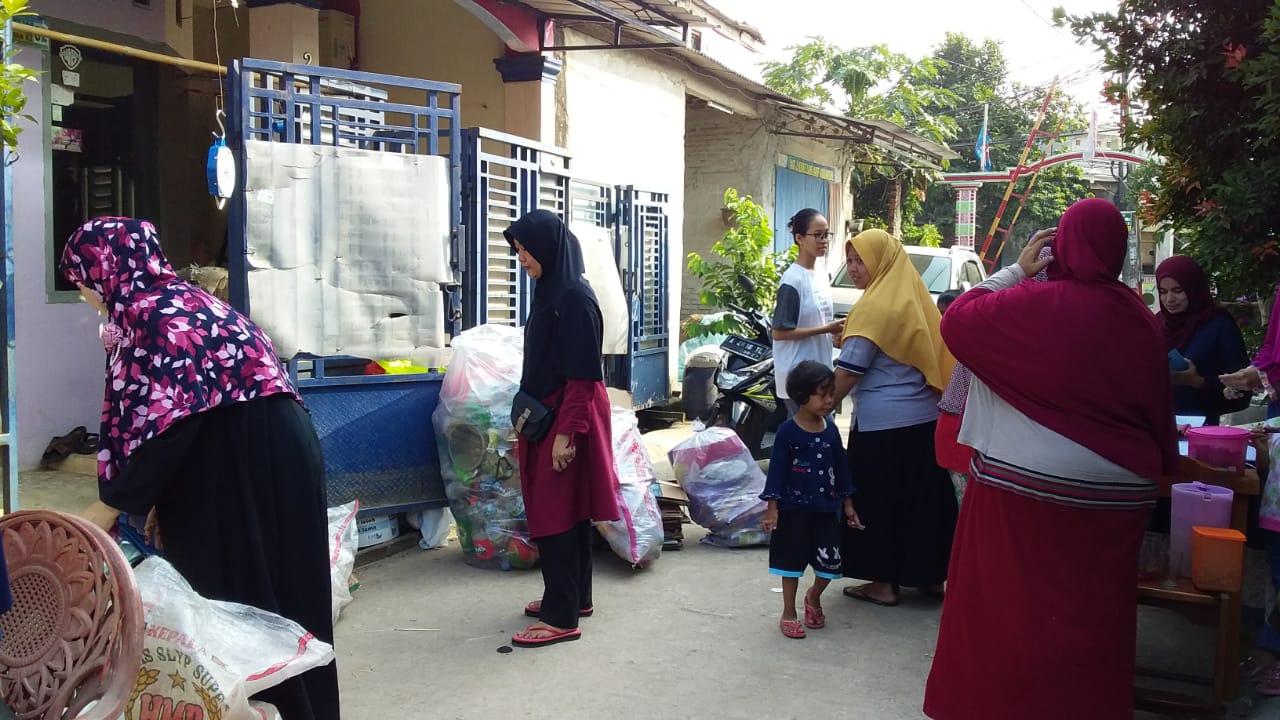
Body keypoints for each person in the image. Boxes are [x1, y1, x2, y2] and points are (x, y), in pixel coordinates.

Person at [64, 218, 340, 720]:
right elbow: (185, 414)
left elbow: (159, 430)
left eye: (82, 278)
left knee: (238, 607)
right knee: (292, 596)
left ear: (108, 270)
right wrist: (156, 500)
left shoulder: (145, 317)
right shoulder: (185, 300)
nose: (83, 293)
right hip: (285, 449)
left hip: (236, 466)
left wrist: (102, 512)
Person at [923, 198, 1180, 720]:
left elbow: (958, 321)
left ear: (1059, 245)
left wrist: (1017, 269)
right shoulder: (1139, 317)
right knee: (1093, 617)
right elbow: (1157, 404)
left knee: (1006, 611)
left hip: (1026, 487)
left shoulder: (1032, 303)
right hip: (1119, 494)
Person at [504, 209, 621, 649]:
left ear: (550, 248)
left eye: (526, 250)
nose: (522, 260)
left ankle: (560, 616)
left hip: (568, 414)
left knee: (554, 512)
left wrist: (566, 436)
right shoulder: (554, 290)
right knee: (569, 510)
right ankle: (576, 597)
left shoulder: (572, 297)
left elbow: (582, 376)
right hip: (551, 412)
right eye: (518, 251)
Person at [832, 229, 958, 608]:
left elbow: (852, 368)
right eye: (850, 260)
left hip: (883, 427)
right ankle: (930, 577)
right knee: (923, 502)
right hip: (924, 422)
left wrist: (821, 407)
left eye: (861, 261)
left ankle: (882, 583)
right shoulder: (914, 297)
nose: (854, 269)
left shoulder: (873, 306)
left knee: (878, 502)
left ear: (880, 262)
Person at [760, 360, 862, 639]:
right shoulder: (787, 433)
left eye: (832, 393)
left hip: (827, 511)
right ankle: (789, 612)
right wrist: (773, 510)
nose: (830, 400)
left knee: (831, 565)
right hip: (793, 512)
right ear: (802, 397)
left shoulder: (830, 431)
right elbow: (777, 473)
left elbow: (841, 468)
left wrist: (848, 504)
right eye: (823, 394)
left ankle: (814, 597)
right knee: (790, 564)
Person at [1157, 256, 1250, 425]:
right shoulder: (1156, 324)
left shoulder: (1219, 325)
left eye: (1178, 290)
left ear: (1194, 289)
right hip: (1158, 425)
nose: (1169, 299)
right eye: (1163, 292)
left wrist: (1199, 382)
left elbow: (1243, 390)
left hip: (1201, 430)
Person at [771, 209, 845, 416]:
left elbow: (817, 319)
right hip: (799, 376)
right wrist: (826, 328)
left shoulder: (821, 274)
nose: (823, 240)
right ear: (800, 238)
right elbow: (779, 332)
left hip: (820, 370)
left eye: (826, 235)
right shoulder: (793, 280)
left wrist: (833, 333)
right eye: (817, 235)